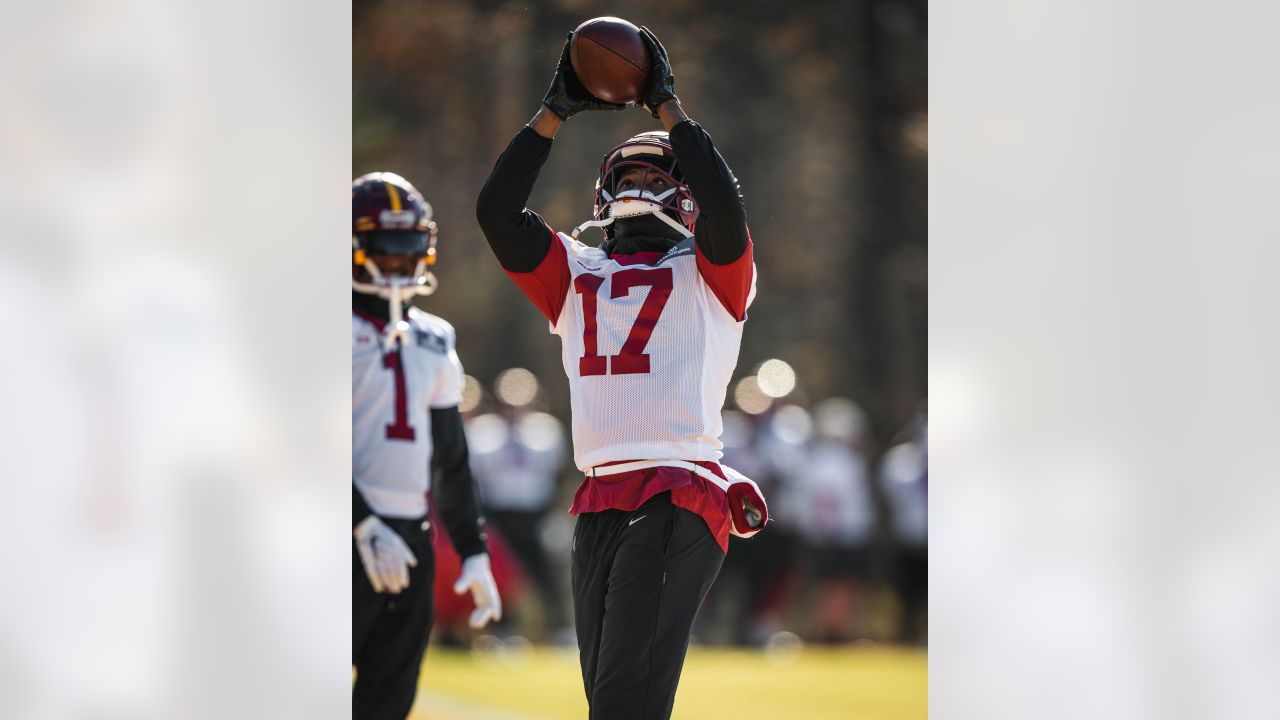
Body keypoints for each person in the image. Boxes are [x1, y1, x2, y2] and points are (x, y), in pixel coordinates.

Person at [476, 27, 768, 720]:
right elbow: (496, 213)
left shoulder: (710, 274)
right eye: (627, 177)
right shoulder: (578, 271)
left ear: (687, 196)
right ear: (604, 194)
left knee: (622, 701)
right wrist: (551, 115)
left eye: (657, 177)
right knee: (610, 698)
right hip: (600, 497)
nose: (638, 187)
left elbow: (726, 209)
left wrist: (668, 107)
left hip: (680, 489)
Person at [351, 171, 502, 719]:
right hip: (336, 538)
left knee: (389, 703)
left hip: (410, 538)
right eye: (386, 251)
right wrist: (360, 522)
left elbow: (450, 457)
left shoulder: (435, 336)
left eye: (409, 249)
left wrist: (473, 549)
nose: (400, 265)